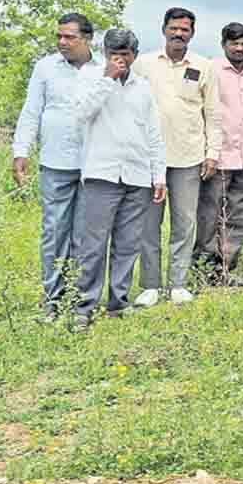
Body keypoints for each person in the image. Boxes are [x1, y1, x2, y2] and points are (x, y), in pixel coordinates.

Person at [71, 30, 166, 329]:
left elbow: (153, 133)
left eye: (125, 54)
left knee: (128, 244)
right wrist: (107, 79)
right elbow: (81, 114)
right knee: (93, 245)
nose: (120, 59)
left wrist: (159, 175)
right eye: (114, 53)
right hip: (102, 174)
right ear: (105, 53)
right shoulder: (90, 78)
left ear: (134, 55)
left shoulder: (143, 87)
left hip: (137, 175)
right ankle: (84, 307)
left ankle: (118, 304)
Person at [12, 12, 103, 317]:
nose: (62, 42)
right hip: (55, 162)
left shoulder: (103, 68)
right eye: (59, 36)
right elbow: (31, 111)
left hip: (94, 165)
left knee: (85, 235)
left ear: (87, 38)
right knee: (54, 231)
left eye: (69, 37)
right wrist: (21, 151)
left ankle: (80, 301)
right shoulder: (45, 67)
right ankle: (53, 299)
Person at [133, 7, 221, 306]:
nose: (179, 33)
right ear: (164, 29)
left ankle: (178, 284)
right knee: (149, 223)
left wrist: (212, 153)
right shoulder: (144, 64)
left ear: (192, 34)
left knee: (184, 222)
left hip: (188, 155)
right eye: (174, 28)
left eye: (185, 29)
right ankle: (150, 285)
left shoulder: (203, 66)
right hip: (149, 158)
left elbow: (213, 113)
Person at [195, 23, 243, 284]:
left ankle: (226, 271)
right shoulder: (211, 69)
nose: (239, 48)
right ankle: (203, 272)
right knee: (210, 217)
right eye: (234, 43)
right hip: (218, 156)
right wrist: (208, 150)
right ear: (224, 45)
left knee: (238, 218)